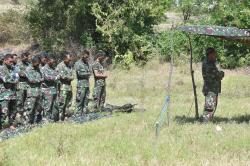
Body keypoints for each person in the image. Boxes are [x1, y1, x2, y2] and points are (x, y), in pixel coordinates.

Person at [202, 48, 225, 122]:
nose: (215, 55)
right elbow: (217, 74)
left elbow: (218, 73)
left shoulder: (213, 62)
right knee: (209, 105)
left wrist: (220, 73)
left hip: (214, 88)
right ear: (210, 54)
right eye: (214, 53)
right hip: (210, 88)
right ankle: (206, 121)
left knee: (213, 104)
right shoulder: (208, 63)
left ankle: (209, 120)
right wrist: (221, 74)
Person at [23, 56, 44, 124]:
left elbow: (41, 77)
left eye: (39, 64)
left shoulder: (38, 69)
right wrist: (41, 80)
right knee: (30, 108)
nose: (38, 65)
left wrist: (40, 80)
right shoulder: (28, 69)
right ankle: (27, 123)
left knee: (37, 108)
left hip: (38, 91)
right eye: (37, 63)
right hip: (31, 92)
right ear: (33, 62)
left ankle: (33, 122)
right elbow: (32, 80)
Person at [53, 52, 74, 121]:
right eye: (68, 59)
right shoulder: (60, 66)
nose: (69, 61)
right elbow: (61, 77)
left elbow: (72, 76)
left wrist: (68, 78)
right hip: (62, 87)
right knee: (61, 104)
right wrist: (67, 78)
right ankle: (59, 118)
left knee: (68, 103)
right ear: (64, 58)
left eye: (70, 59)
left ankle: (65, 117)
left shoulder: (70, 66)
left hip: (69, 87)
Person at [0, 54, 18, 129]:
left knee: (13, 110)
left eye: (12, 61)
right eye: (10, 61)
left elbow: (17, 77)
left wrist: (13, 80)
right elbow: (6, 80)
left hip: (13, 93)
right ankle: (1, 125)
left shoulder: (13, 68)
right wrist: (14, 80)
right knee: (4, 112)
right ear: (5, 60)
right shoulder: (1, 69)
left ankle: (11, 124)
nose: (11, 63)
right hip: (4, 94)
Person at [40, 55, 59, 121]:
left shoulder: (54, 68)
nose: (53, 62)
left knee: (55, 105)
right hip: (47, 90)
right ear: (48, 61)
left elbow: (58, 75)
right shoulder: (43, 69)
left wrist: (55, 77)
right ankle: (46, 119)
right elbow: (47, 78)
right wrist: (55, 77)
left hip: (54, 89)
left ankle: (53, 119)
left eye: (53, 61)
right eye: (52, 61)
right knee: (47, 106)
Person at [74, 50, 91, 115]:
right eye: (86, 56)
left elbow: (89, 72)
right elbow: (80, 74)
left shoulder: (87, 64)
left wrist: (88, 73)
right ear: (82, 55)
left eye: (88, 57)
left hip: (87, 84)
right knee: (80, 100)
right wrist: (88, 74)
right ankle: (78, 114)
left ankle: (84, 113)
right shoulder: (78, 63)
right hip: (81, 85)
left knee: (86, 100)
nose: (87, 58)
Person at [16, 51, 30, 121]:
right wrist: (27, 75)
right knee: (20, 101)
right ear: (22, 57)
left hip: (27, 86)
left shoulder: (29, 64)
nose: (27, 58)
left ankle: (25, 116)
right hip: (21, 86)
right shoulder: (18, 65)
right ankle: (18, 117)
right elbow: (20, 74)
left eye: (27, 57)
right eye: (25, 57)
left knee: (27, 101)